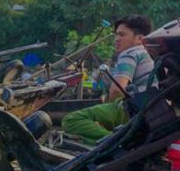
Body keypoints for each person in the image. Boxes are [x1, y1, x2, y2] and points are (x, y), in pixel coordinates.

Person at [63, 15, 154, 144]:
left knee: (71, 120)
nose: (116, 39)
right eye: (116, 35)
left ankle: (116, 141)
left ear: (140, 39)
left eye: (122, 35)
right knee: (88, 136)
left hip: (131, 110)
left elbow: (117, 90)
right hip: (150, 111)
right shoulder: (150, 54)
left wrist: (109, 108)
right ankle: (109, 139)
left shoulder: (131, 53)